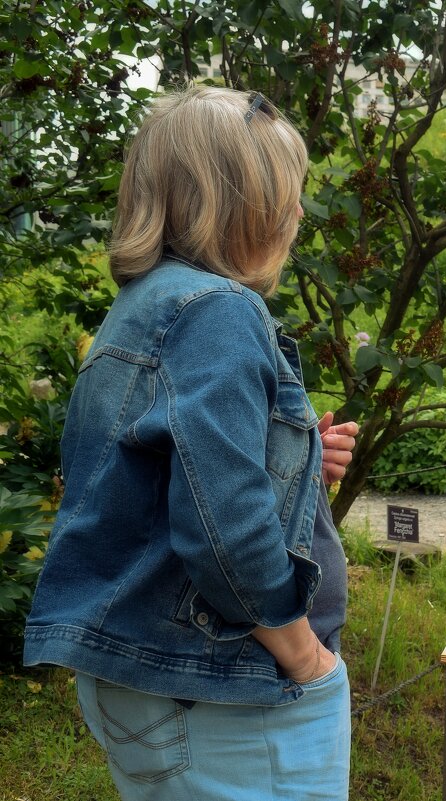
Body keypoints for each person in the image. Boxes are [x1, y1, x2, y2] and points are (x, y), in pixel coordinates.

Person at [24, 86, 358, 801]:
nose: (298, 213)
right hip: (228, 690)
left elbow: (144, 483)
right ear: (243, 200)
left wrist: (296, 462)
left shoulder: (147, 308)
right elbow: (224, 529)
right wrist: (305, 656)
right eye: (287, 193)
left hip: (167, 684)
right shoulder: (219, 312)